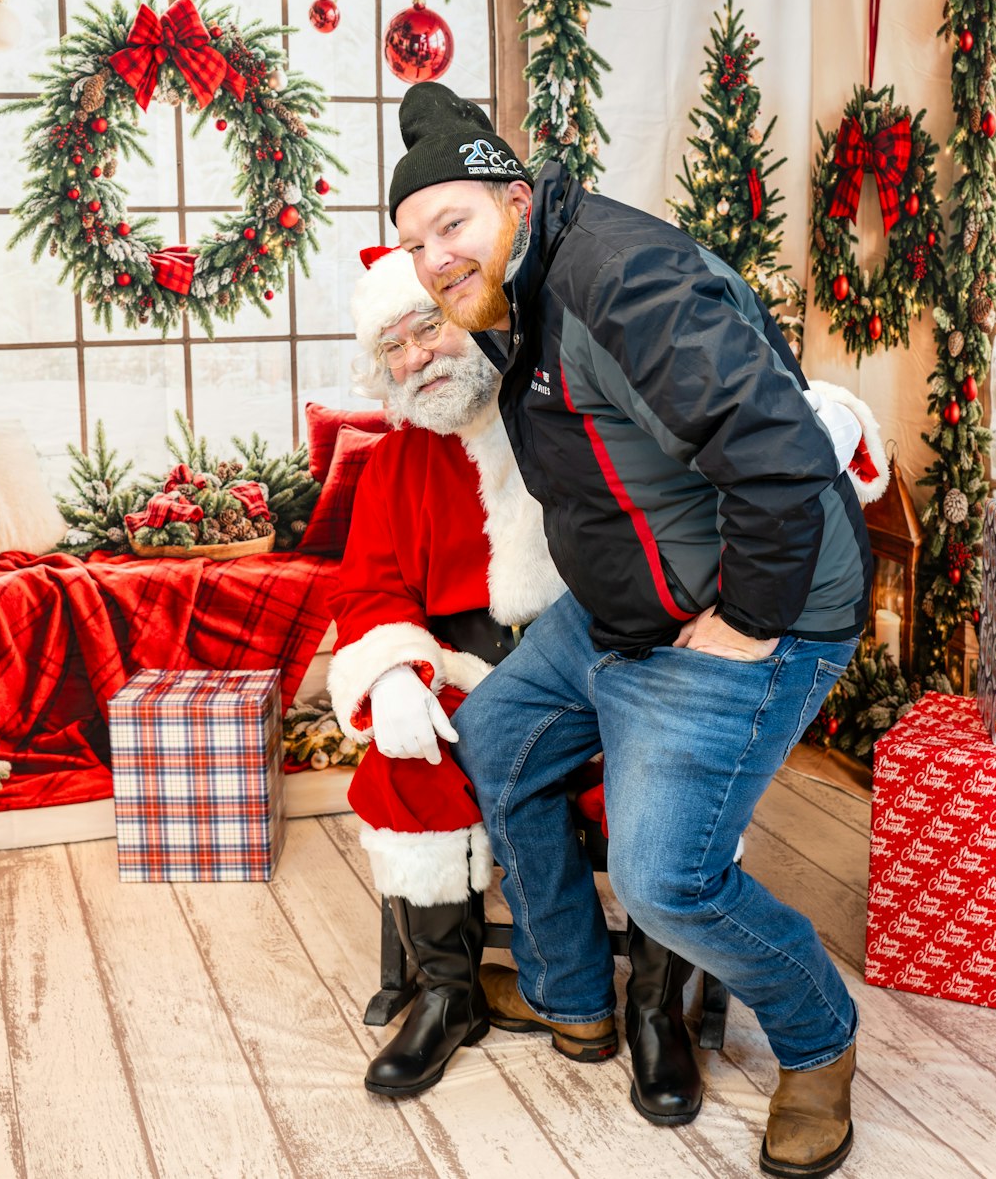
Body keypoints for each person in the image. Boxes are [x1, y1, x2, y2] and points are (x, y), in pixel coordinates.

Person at [389, 82, 873, 1179]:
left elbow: (782, 452)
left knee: (667, 883)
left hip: (752, 608)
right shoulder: (512, 287)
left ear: (517, 198)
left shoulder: (621, 280)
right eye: (415, 243)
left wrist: (748, 620)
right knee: (498, 737)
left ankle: (816, 1038)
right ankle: (570, 993)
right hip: (622, 609)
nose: (434, 258)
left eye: (451, 223)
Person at [331, 244, 707, 1109]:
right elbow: (369, 589)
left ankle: (656, 1008)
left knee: (672, 775)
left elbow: (706, 453)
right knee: (405, 767)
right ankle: (448, 994)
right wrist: (393, 674)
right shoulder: (393, 465)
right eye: (393, 345)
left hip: (605, 662)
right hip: (467, 673)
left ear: (472, 316)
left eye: (428, 327)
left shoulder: (571, 408)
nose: (416, 356)